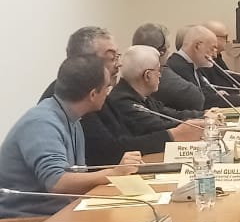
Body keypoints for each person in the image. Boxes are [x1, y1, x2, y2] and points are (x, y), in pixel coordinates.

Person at [0, 56, 141, 218]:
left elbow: (77, 176)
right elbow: (57, 182)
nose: (108, 94)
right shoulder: (42, 123)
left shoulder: (72, 119)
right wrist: (113, 173)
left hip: (56, 214)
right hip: (23, 221)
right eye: (107, 88)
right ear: (93, 94)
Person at [40, 27, 191, 165]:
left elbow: (126, 137)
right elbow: (107, 152)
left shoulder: (100, 93)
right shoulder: (74, 94)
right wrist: (171, 136)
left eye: (118, 57)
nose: (119, 64)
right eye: (112, 58)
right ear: (84, 60)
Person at [108, 46, 206, 136]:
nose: (160, 75)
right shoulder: (123, 101)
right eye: (158, 70)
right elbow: (159, 128)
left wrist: (205, 115)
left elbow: (171, 114)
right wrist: (202, 122)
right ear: (147, 75)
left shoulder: (143, 95)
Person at [132, 22, 206, 112]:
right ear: (161, 52)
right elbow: (196, 99)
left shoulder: (132, 71)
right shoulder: (161, 73)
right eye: (167, 47)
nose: (169, 52)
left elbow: (163, 111)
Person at [167, 24, 240, 108]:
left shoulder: (190, 64)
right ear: (197, 46)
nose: (215, 55)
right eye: (212, 48)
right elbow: (202, 100)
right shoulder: (177, 66)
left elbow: (204, 92)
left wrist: (215, 93)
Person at [200, 19, 240, 88]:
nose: (227, 41)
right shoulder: (202, 60)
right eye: (225, 37)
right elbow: (218, 85)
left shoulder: (217, 55)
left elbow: (229, 77)